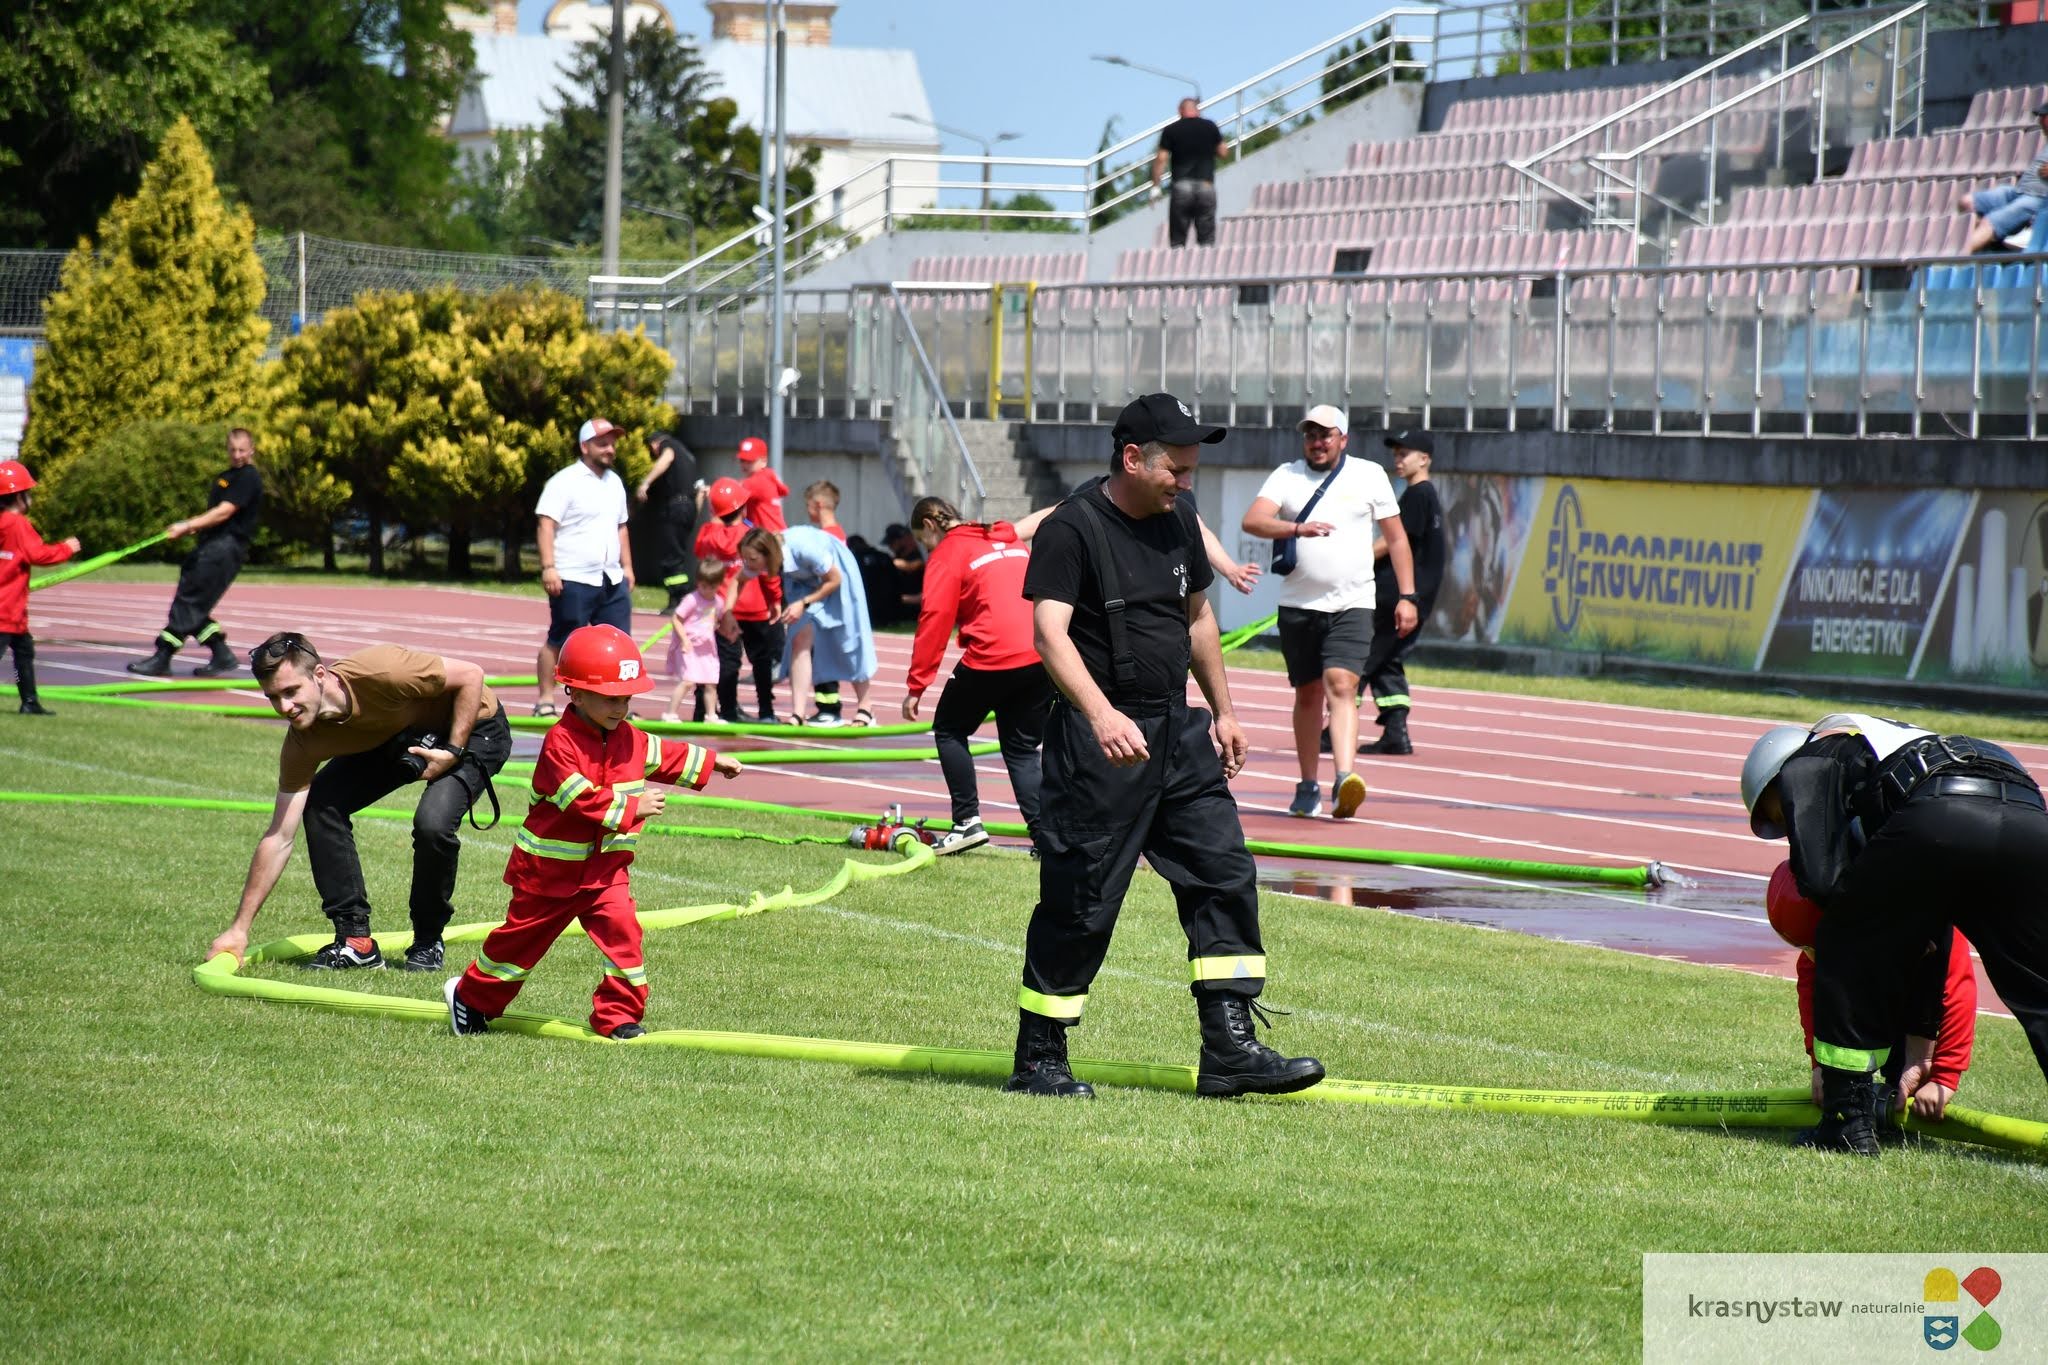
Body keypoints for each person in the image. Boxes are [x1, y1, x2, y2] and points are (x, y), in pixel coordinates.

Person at [1007, 391, 1324, 1100]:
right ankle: (1039, 1058)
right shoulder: (1072, 528)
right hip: (1101, 745)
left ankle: (1230, 1050)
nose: (1186, 481)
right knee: (1082, 899)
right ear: (1131, 458)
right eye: (1175, 469)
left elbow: (1199, 619)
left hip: (1178, 734)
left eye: (1190, 469)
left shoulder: (1179, 518)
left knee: (1223, 872)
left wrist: (1225, 712)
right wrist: (1100, 714)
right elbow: (1049, 635)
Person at [1741, 712, 2048, 1154]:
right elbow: (1933, 933)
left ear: (1779, 781)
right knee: (2038, 986)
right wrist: (1922, 1052)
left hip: (1940, 809)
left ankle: (1847, 1122)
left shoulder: (1808, 763)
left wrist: (1837, 929)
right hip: (2025, 809)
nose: (1790, 831)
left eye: (1781, 815)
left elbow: (1825, 885)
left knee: (1842, 938)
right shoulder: (1870, 763)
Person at [446, 624, 744, 1040]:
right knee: (519, 946)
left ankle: (617, 1017)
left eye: (627, 698)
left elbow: (666, 754)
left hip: (606, 873)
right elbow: (578, 798)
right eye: (610, 698)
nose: (621, 708)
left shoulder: (630, 739)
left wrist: (712, 763)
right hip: (548, 875)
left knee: (624, 939)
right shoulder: (560, 743)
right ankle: (471, 998)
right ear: (576, 693)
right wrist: (633, 808)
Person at [205, 632, 515, 972]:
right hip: (403, 731)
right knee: (321, 802)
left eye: (291, 692)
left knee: (433, 823)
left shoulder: (381, 670)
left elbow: (471, 675)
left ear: (319, 674)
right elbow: (279, 836)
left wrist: (452, 751)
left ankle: (428, 941)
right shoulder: (303, 742)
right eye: (273, 697)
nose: (284, 708)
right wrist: (239, 929)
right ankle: (355, 941)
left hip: (475, 726)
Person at [1241, 404, 1416, 820]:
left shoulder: (1369, 475)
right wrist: (1296, 528)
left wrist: (1408, 596)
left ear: (1343, 439)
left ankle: (1343, 778)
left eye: (1325, 435)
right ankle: (1307, 784)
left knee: (1342, 684)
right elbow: (1254, 520)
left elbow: (1396, 539)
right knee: (1307, 694)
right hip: (1299, 605)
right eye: (1310, 435)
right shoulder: (1287, 476)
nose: (1317, 442)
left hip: (1352, 603)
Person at [1765, 861, 1975, 1140]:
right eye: (1806, 949)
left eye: (1816, 948)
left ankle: (1900, 1079)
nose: (1812, 957)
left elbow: (1956, 988)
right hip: (1881, 975)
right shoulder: (1829, 928)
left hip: (1914, 996)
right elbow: (1812, 993)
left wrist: (1944, 1078)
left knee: (1905, 1069)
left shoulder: (1919, 917)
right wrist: (1820, 1066)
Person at [902, 496, 1052, 856]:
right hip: (1040, 653)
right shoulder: (1003, 534)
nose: (927, 549)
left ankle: (966, 821)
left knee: (949, 729)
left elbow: (935, 618)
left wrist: (917, 685)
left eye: (924, 542)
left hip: (992, 656)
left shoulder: (948, 553)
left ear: (930, 525)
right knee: (1021, 749)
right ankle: (1047, 839)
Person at [127, 427, 262, 677]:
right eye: (232, 450)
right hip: (212, 545)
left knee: (189, 600)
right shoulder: (226, 476)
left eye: (242, 450)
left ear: (251, 450)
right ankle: (221, 654)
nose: (237, 455)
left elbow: (224, 512)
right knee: (194, 602)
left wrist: (188, 525)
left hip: (225, 548)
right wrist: (193, 529)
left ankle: (163, 655)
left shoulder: (248, 477)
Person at [534, 418, 636, 717]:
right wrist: (549, 567)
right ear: (584, 446)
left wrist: (628, 567)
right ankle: (545, 700)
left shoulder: (615, 482)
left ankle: (617, 705)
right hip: (574, 575)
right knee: (561, 638)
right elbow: (546, 524)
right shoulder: (564, 481)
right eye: (602, 443)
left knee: (618, 643)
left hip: (611, 577)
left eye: (612, 444)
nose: (610, 449)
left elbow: (621, 527)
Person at [738, 525, 877, 727]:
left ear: (768, 553)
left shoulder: (805, 549)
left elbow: (834, 579)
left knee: (848, 639)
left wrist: (803, 603)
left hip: (837, 575)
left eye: (752, 559)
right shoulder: (761, 560)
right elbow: (738, 580)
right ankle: (798, 714)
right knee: (798, 640)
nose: (748, 564)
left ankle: (866, 707)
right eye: (745, 559)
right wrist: (727, 614)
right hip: (804, 583)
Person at [1360, 429, 1445, 756]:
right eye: (1396, 454)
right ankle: (1396, 731)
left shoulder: (1418, 495)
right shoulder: (1424, 495)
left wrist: (1355, 559)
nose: (1398, 460)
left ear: (1424, 459)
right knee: (1386, 658)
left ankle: (1334, 727)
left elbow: (1395, 540)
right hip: (1410, 594)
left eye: (1404, 454)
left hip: (1396, 594)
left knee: (1358, 657)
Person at [695, 475, 784, 722]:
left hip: (722, 609)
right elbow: (768, 573)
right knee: (762, 661)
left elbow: (699, 549)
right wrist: (775, 600)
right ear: (743, 506)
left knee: (725, 662)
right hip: (756, 607)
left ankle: (727, 710)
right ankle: (766, 711)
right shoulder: (750, 535)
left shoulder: (708, 535)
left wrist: (713, 517)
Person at [0, 459, 79, 716]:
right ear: (19, 496)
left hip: (13, 612)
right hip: (6, 609)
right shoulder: (17, 524)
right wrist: (67, 548)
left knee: (24, 652)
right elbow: (38, 554)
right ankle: (29, 700)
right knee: (20, 655)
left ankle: (29, 700)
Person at [1959, 102, 2048, 254]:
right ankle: (1993, 242)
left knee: (1989, 222)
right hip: (2018, 192)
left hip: (2038, 199)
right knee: (1967, 202)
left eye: (2043, 117)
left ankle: (1958, 260)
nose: (2039, 121)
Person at [1151, 97, 1230, 249]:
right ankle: (1206, 259)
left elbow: (1161, 159)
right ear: (1197, 110)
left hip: (1181, 187)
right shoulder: (1210, 126)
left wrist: (1155, 186)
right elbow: (1223, 152)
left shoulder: (1171, 130)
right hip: (1206, 185)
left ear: (1180, 111)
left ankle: (1178, 259)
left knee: (1178, 241)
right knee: (1206, 240)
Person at [635, 431, 699, 612]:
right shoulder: (687, 454)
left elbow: (667, 457)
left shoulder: (668, 446)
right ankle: (680, 598)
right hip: (688, 507)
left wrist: (645, 482)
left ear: (654, 444)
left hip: (676, 507)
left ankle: (678, 599)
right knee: (677, 554)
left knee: (670, 556)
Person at [661, 555, 726, 723]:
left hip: (707, 648)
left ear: (719, 585)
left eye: (712, 587)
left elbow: (716, 620)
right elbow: (676, 619)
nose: (707, 590)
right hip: (690, 646)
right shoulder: (692, 600)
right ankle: (670, 713)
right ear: (698, 582)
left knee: (711, 682)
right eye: (703, 586)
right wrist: (684, 639)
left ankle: (711, 715)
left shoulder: (718, 602)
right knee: (688, 681)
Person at [803, 481, 846, 721]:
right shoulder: (835, 533)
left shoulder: (827, 537)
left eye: (808, 505)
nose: (807, 511)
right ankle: (826, 707)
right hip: (826, 605)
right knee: (819, 656)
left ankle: (830, 709)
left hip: (826, 607)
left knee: (822, 657)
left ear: (818, 505)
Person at [737, 435, 788, 531]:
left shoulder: (759, 480)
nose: (745, 464)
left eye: (750, 461)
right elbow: (749, 522)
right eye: (742, 460)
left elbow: (733, 491)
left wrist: (713, 490)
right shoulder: (768, 475)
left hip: (772, 535)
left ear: (764, 461)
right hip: (772, 533)